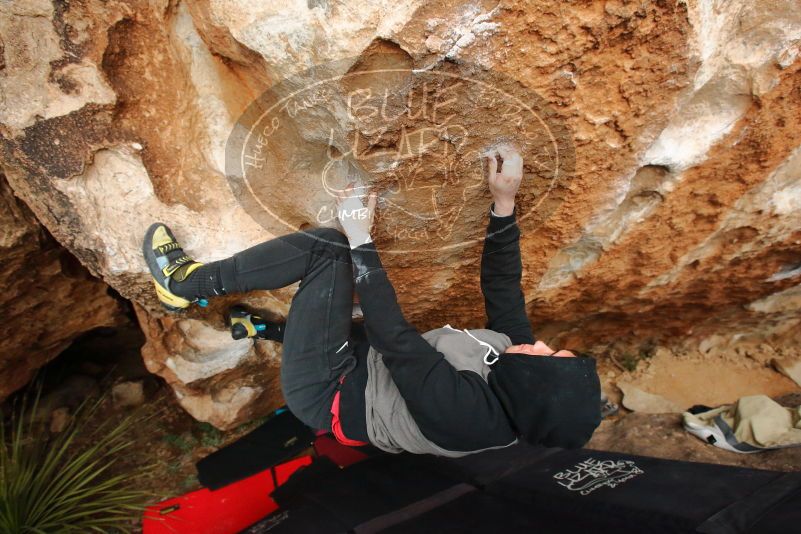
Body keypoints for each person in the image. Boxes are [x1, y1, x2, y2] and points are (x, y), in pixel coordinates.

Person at [142, 146, 601, 457]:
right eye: (554, 348)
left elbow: (396, 339)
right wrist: (505, 202)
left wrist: (360, 235)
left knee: (328, 250)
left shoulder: (468, 418)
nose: (541, 344)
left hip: (330, 389)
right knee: (350, 313)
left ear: (533, 390)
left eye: (548, 356)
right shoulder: (517, 363)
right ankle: (260, 328)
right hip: (373, 367)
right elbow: (503, 287)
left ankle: (184, 285)